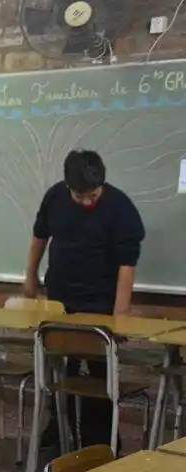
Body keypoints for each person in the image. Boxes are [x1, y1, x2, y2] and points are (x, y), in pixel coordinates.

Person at [24, 150, 145, 450]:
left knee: (99, 377)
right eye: (81, 197)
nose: (89, 202)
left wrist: (121, 316)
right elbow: (40, 236)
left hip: (99, 305)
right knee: (58, 369)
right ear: (68, 188)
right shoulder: (55, 197)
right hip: (61, 300)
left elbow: (126, 266)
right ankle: (59, 429)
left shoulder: (120, 207)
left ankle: (100, 441)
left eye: (94, 195)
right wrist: (30, 277)